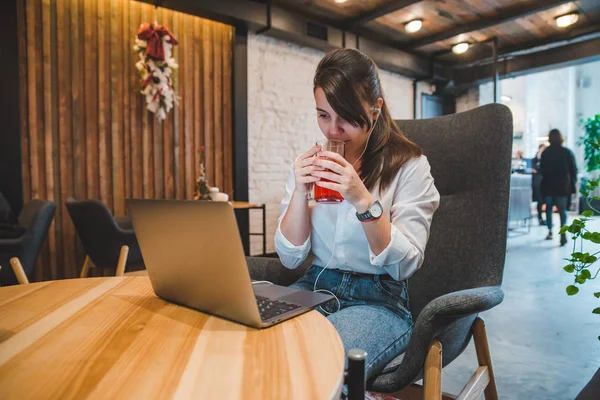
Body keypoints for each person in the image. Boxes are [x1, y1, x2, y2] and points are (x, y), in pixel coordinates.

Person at [274, 48, 440, 380]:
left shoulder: (410, 166)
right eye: (323, 115)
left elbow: (405, 264)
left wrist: (362, 200)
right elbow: (290, 258)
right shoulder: (310, 165)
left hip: (379, 297)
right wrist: (299, 192)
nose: (332, 131)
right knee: (264, 344)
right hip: (317, 284)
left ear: (375, 110)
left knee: (321, 362)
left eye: (346, 118)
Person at [540, 129, 577, 246]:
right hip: (562, 186)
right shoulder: (567, 152)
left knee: (549, 210)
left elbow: (542, 170)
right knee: (562, 211)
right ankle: (563, 232)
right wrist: (572, 186)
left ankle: (550, 231)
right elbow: (573, 171)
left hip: (549, 186)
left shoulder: (546, 152)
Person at [531, 144, 546, 225]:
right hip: (537, 184)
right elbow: (534, 170)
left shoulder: (546, 160)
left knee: (543, 201)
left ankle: (543, 218)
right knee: (539, 201)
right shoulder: (534, 160)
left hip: (544, 183)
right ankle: (540, 218)